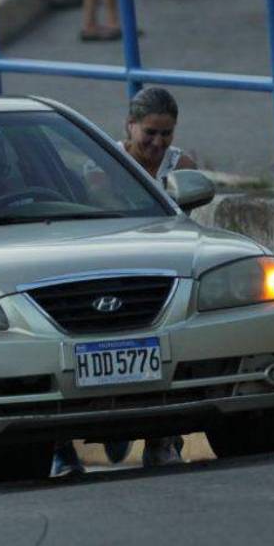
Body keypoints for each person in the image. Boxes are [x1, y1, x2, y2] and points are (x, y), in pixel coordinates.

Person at [52, 86, 195, 476]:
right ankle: (65, 449)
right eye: (149, 133)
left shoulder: (180, 164)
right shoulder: (102, 164)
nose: (157, 143)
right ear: (129, 127)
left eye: (166, 134)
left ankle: (164, 441)